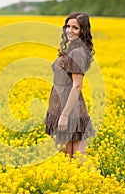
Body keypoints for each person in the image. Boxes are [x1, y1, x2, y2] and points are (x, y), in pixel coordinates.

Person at [44, 12, 96, 161]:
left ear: (83, 31)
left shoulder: (77, 52)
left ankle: (92, 182)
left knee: (77, 155)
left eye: (75, 28)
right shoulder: (71, 49)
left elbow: (77, 86)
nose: (70, 30)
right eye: (68, 26)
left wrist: (65, 116)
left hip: (69, 109)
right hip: (61, 106)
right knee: (67, 157)